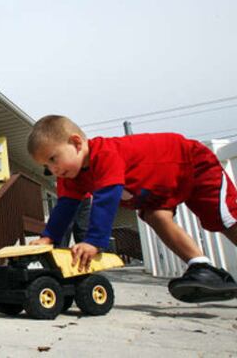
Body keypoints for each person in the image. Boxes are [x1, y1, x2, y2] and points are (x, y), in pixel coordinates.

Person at [27, 115, 237, 303]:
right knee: (155, 216)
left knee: (222, 218)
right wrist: (49, 237)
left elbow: (106, 199)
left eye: (53, 158)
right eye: (46, 166)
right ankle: (201, 266)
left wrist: (93, 241)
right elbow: (65, 206)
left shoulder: (105, 154)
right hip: (158, 191)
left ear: (76, 142)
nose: (53, 169)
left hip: (191, 164)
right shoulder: (71, 176)